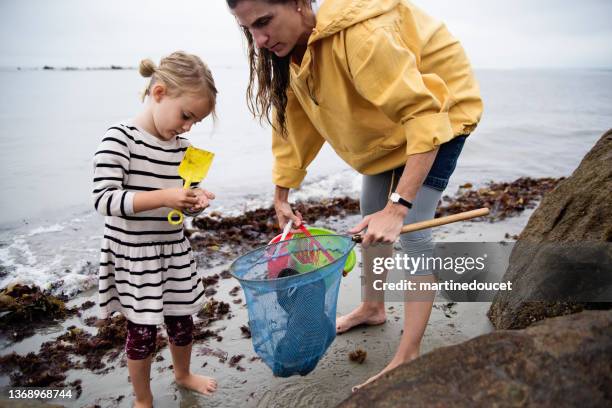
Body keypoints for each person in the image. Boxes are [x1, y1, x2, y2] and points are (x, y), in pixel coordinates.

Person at [227, 0, 483, 390]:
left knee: (413, 231)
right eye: (249, 29)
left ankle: (408, 353)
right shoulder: (290, 53)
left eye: (264, 22)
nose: (259, 40)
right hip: (385, 127)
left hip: (440, 112)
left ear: (298, 4)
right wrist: (281, 194)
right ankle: (373, 307)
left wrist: (398, 207)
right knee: (369, 215)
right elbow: (293, 126)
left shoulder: (361, 36)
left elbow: (423, 115)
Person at [92, 51, 219, 407]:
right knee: (142, 332)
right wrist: (165, 195)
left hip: (173, 250)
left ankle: (183, 374)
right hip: (134, 257)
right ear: (159, 93)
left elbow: (181, 207)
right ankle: (143, 399)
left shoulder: (184, 150)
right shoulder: (120, 138)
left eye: (195, 121)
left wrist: (194, 202)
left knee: (182, 322)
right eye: (186, 116)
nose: (188, 127)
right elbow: (105, 200)